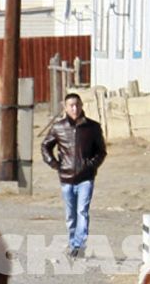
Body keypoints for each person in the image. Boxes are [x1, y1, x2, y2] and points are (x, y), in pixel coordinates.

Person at [40, 92, 106, 258]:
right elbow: (45, 146)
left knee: (82, 211)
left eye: (77, 105)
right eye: (71, 105)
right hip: (67, 178)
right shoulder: (58, 127)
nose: (75, 108)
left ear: (82, 105)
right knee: (70, 215)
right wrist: (55, 164)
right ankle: (72, 243)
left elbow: (101, 151)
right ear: (65, 107)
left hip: (86, 178)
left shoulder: (93, 127)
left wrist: (91, 166)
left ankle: (79, 246)